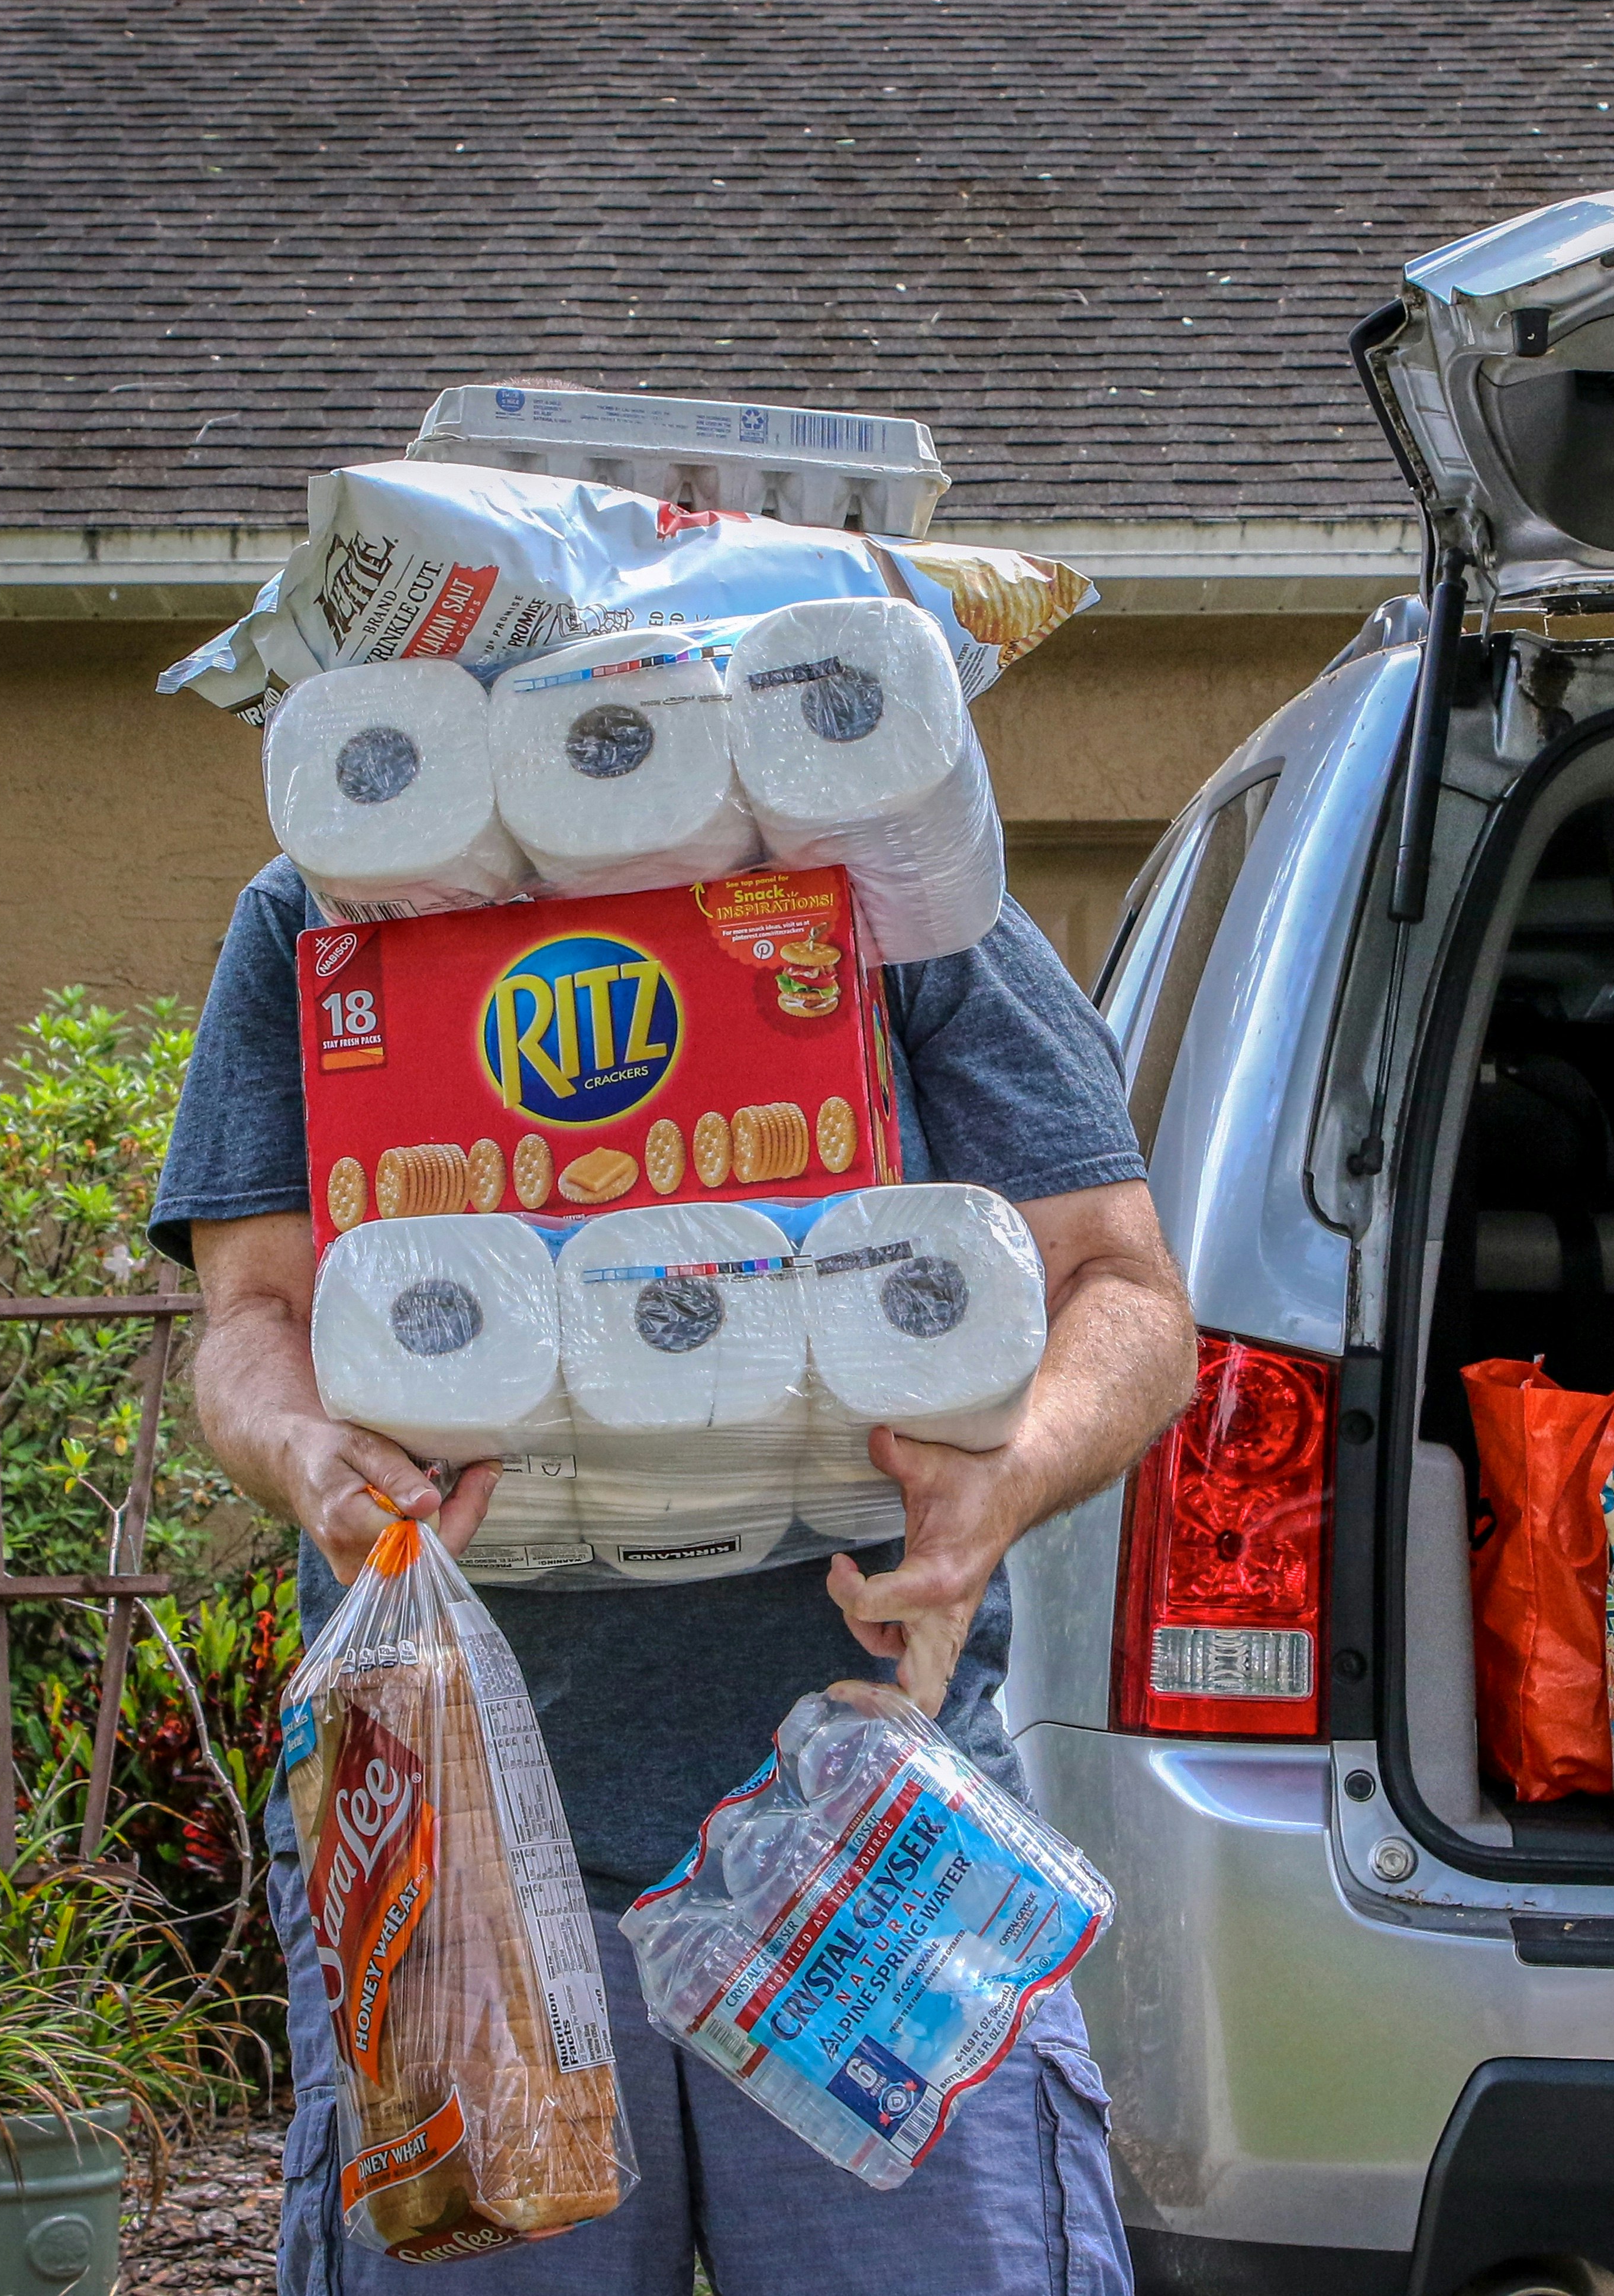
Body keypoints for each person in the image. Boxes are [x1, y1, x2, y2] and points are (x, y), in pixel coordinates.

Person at [150, 853, 1195, 2296]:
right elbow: (252, 1308)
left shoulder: (879, 856)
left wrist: (1006, 1478)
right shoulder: (334, 902)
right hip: (452, 1846)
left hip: (867, 1828)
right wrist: (301, 1447)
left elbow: (1121, 1288)